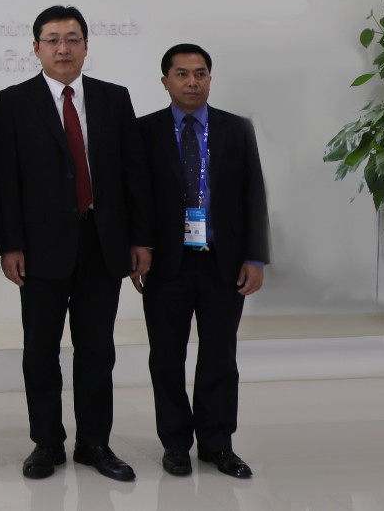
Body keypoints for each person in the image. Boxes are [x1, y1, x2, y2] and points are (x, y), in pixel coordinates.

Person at [0, 5, 153, 483]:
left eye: (72, 39)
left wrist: (141, 239)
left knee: (97, 350)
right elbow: (5, 180)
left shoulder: (113, 98)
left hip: (103, 243)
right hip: (40, 248)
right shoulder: (12, 102)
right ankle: (46, 443)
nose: (63, 48)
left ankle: (94, 443)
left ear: (85, 45)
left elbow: (133, 175)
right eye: (53, 40)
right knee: (40, 351)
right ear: (36, 47)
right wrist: (9, 244)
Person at [140, 43, 269, 479]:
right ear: (165, 82)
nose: (192, 82)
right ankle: (175, 444)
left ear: (210, 79)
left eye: (200, 73)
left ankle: (218, 444)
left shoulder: (236, 129)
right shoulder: (144, 131)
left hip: (223, 262)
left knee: (220, 356)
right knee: (166, 358)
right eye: (181, 74)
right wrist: (138, 248)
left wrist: (255, 256)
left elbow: (254, 193)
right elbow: (135, 196)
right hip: (166, 264)